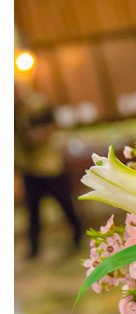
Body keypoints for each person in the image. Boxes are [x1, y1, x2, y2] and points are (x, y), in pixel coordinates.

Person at [14, 85, 82, 260]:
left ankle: (78, 236)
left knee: (65, 204)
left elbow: (53, 125)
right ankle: (34, 247)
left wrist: (38, 135)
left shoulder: (38, 104)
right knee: (32, 210)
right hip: (29, 168)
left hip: (49, 165)